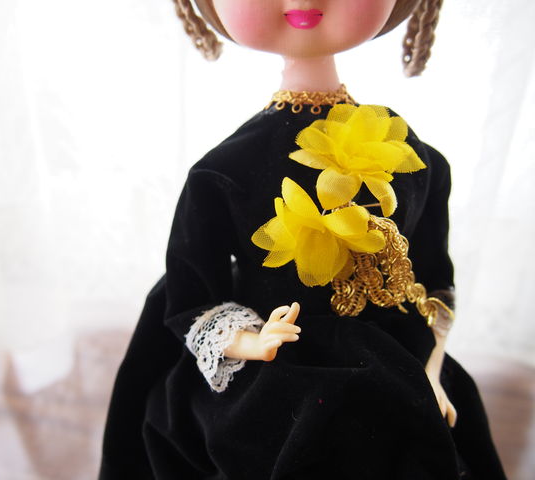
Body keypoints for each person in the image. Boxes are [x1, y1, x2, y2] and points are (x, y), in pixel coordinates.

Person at [100, 1, 506, 478]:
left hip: (401, 366)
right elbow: (192, 296)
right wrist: (252, 342)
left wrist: (431, 373)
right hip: (276, 378)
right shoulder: (222, 170)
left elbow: (435, 282)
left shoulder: (415, 156)